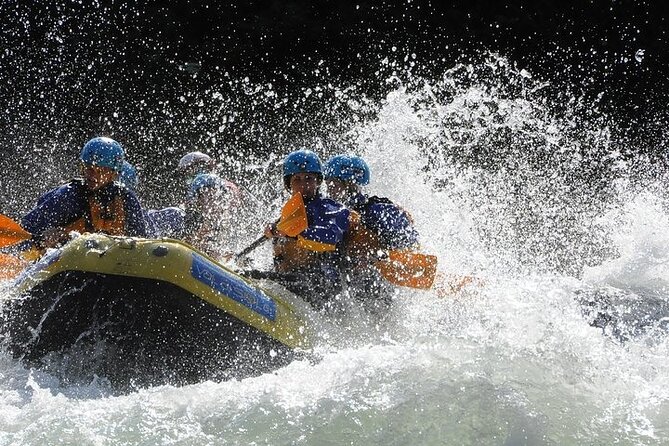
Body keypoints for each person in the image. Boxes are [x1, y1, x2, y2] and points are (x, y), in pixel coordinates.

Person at [324, 154, 420, 312]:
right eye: (328, 184)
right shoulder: (330, 212)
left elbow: (410, 242)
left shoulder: (377, 210)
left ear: (349, 184)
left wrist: (378, 257)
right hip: (344, 281)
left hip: (375, 283)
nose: (329, 189)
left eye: (333, 184)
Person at [20, 137, 148, 253]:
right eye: (89, 168)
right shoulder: (68, 196)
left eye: (101, 171)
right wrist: (42, 239)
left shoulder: (127, 199)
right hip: (63, 262)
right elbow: (24, 232)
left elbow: (141, 242)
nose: (93, 176)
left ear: (114, 174)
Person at [262, 150, 352, 310]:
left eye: (309, 178)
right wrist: (273, 230)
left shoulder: (332, 209)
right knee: (256, 275)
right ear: (288, 184)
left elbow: (330, 238)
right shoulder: (289, 214)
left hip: (322, 288)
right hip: (292, 281)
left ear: (318, 181)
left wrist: (295, 232)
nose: (303, 185)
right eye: (297, 179)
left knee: (275, 281)